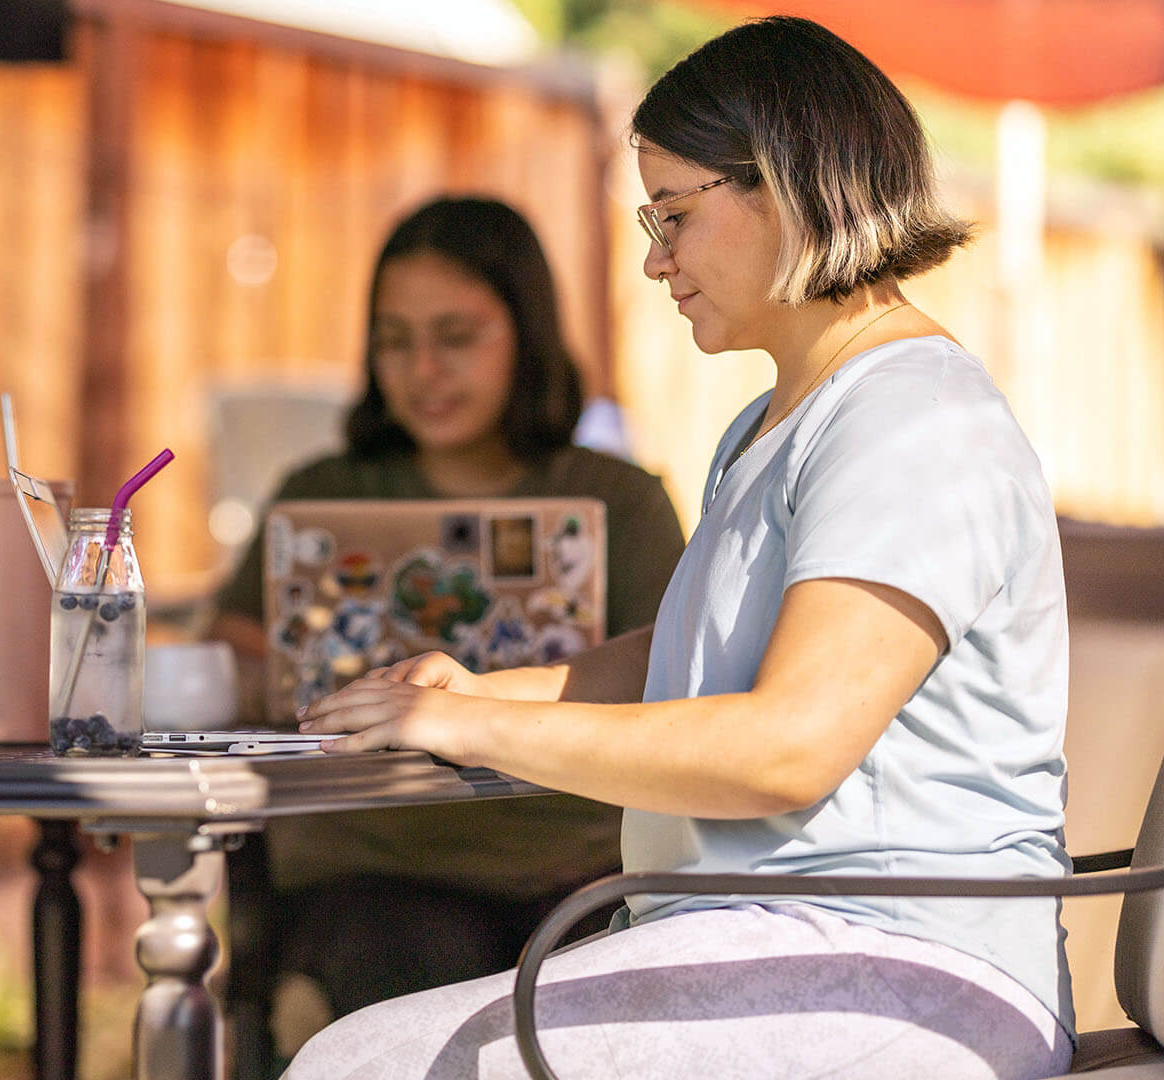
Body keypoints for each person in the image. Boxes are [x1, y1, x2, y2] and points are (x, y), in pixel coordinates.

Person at [285, 17, 1073, 1080]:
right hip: (775, 937)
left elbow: (786, 748)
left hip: (905, 964)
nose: (654, 260)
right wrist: (485, 690)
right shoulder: (773, 424)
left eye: (674, 216)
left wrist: (471, 727)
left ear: (792, 185)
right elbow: (685, 655)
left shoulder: (914, 419)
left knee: (364, 1065)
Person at [210, 198, 687, 1036]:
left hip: (580, 873)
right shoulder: (324, 490)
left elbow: (676, 676)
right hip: (372, 875)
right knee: (400, 971)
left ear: (527, 332)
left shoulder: (621, 500)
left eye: (455, 336)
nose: (421, 369)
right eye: (394, 340)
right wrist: (274, 668)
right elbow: (234, 640)